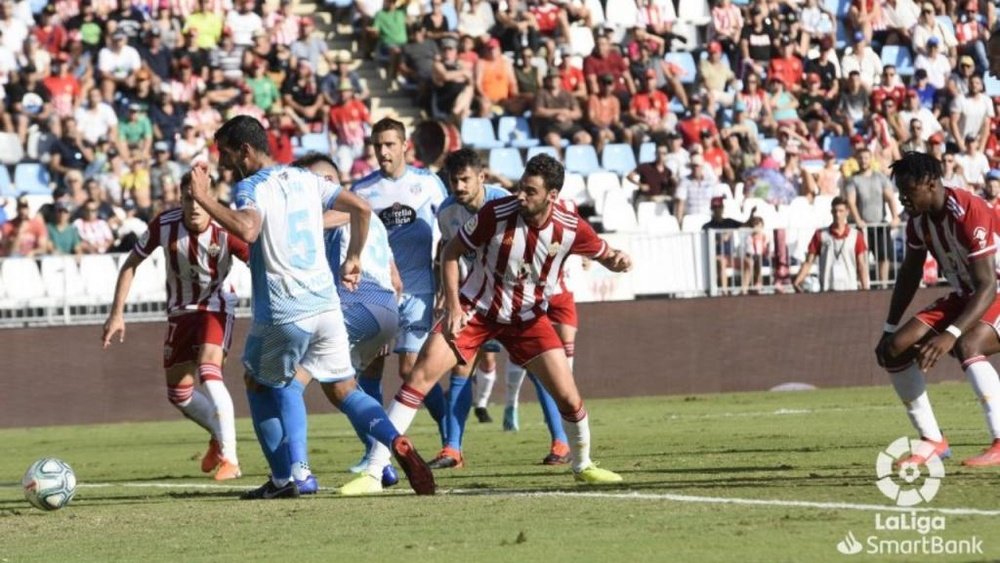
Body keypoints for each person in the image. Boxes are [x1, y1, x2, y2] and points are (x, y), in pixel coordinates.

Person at [340, 154, 632, 495]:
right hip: (475, 310)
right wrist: (452, 306)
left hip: (527, 319)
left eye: (531, 191)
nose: (521, 196)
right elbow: (450, 252)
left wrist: (618, 261)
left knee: (569, 398)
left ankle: (583, 464)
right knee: (419, 376)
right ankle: (375, 471)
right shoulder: (496, 214)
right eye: (521, 187)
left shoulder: (569, 227)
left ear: (552, 196)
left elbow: (604, 253)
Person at [190, 115, 434, 499]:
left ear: (246, 151)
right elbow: (362, 208)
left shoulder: (250, 186)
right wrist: (354, 256)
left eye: (225, 153)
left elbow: (248, 229)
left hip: (286, 309)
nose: (222, 163)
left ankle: (288, 476)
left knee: (260, 382)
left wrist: (204, 199)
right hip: (327, 307)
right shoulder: (306, 179)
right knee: (345, 389)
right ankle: (393, 440)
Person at [102, 172, 247, 481]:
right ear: (180, 199)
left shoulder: (226, 227)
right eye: (187, 199)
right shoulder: (164, 225)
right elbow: (130, 265)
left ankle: (231, 460)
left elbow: (259, 263)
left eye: (200, 199)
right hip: (180, 312)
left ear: (211, 199)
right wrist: (117, 313)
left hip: (216, 306)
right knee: (178, 393)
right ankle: (219, 439)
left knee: (209, 372)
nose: (194, 206)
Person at [279, 153, 404, 491]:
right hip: (385, 308)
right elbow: (396, 278)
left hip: (356, 302)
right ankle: (383, 458)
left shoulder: (342, 209)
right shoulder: (372, 219)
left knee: (291, 381)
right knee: (340, 388)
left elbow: (319, 222)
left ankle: (299, 472)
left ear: (326, 185)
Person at [875, 151, 1000, 467]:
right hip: (966, 294)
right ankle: (933, 441)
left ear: (930, 183)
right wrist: (889, 328)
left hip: (993, 289)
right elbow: (910, 273)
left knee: (966, 344)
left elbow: (987, 285)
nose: (903, 198)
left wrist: (951, 333)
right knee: (894, 349)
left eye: (908, 191)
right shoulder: (918, 222)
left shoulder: (969, 210)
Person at [350, 117, 451, 453]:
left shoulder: (428, 183)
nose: (383, 151)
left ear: (405, 146)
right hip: (379, 291)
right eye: (378, 145)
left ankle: (450, 436)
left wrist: (447, 281)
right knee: (373, 366)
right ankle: (374, 448)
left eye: (390, 144)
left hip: (420, 287)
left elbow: (450, 230)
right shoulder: (362, 191)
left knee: (411, 367)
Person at [425, 148, 511, 469]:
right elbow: (449, 254)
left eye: (465, 180)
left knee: (539, 367)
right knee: (462, 366)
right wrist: (450, 299)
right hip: (477, 298)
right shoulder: (447, 213)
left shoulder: (504, 202)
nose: (459, 187)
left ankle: (562, 443)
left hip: (516, 296)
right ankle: (452, 449)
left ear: (481, 178)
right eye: (453, 180)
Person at [844, 146, 900, 284]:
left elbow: (890, 197)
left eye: (866, 158)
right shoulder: (853, 180)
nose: (863, 161)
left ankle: (884, 285)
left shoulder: (880, 177)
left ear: (871, 159)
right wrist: (858, 220)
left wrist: (895, 217)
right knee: (861, 258)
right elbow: (851, 202)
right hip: (862, 227)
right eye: (861, 158)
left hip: (879, 224)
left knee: (884, 257)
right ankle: (863, 286)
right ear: (857, 160)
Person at [793, 197, 870, 292]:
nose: (837, 214)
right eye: (835, 211)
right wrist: (798, 280)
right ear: (831, 212)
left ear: (847, 212)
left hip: (849, 288)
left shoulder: (856, 236)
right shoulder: (820, 235)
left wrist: (866, 288)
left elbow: (861, 264)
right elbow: (809, 261)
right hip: (827, 288)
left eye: (841, 211)